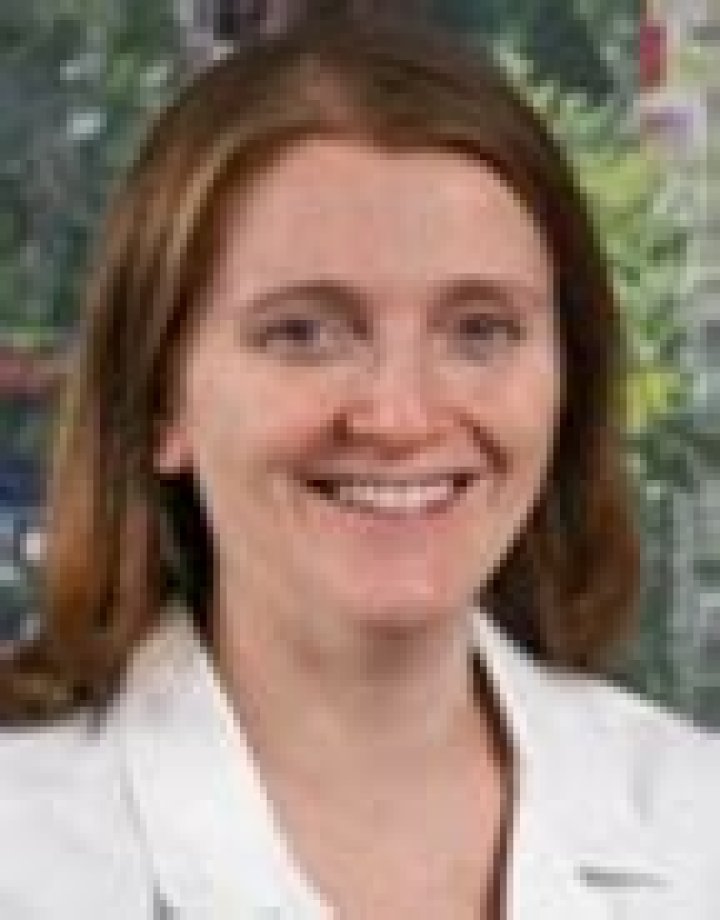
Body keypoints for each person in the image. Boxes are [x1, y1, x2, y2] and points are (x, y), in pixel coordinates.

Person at [0, 11, 717, 919]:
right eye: (304, 333)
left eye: (480, 331)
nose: (400, 416)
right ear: (159, 402)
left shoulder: (697, 824)